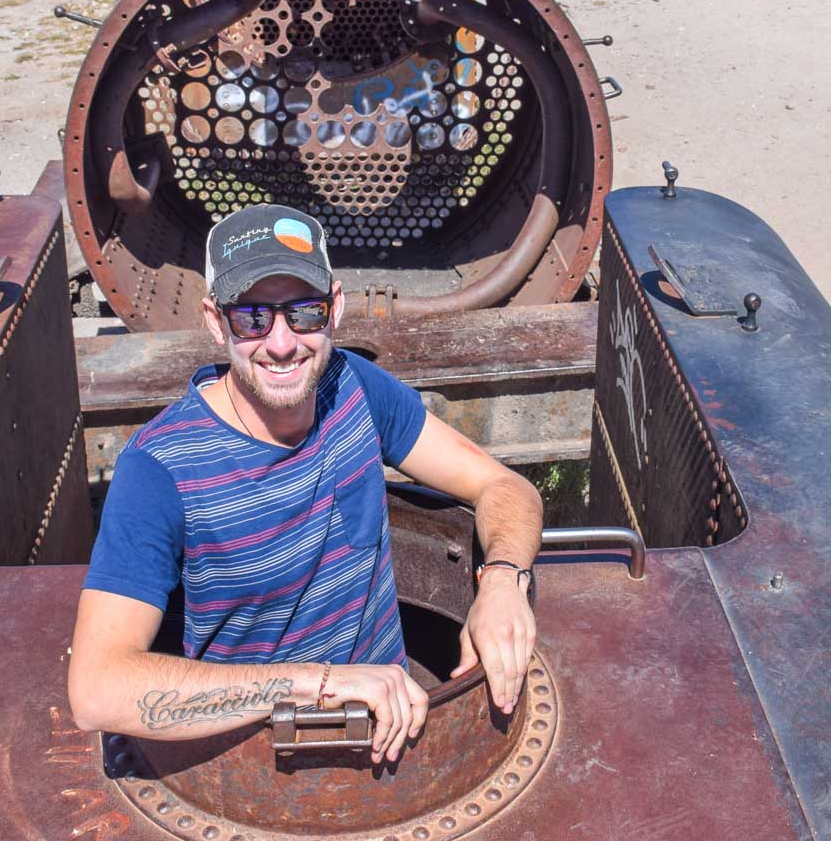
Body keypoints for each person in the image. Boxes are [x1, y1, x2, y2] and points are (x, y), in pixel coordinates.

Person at [69, 203, 543, 766]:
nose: (281, 343)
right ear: (214, 320)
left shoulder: (354, 388)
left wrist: (504, 583)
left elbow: (504, 487)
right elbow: (97, 688)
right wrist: (316, 684)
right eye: (252, 317)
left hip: (393, 732)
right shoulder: (160, 469)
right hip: (250, 762)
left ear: (335, 308)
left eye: (304, 313)